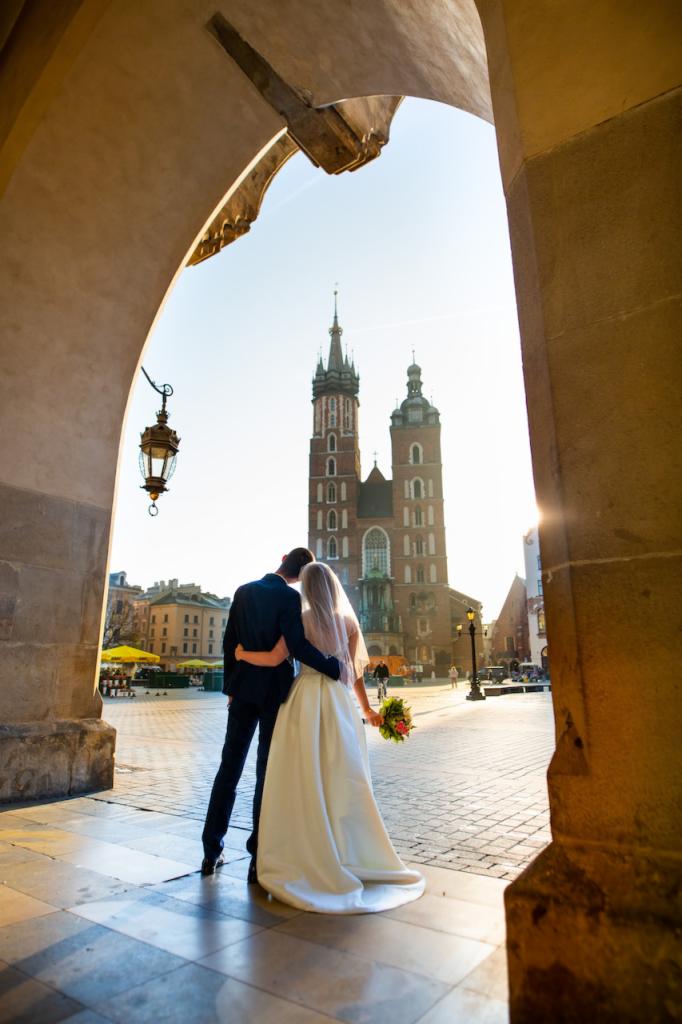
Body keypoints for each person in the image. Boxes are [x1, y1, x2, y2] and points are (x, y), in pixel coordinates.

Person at [235, 561, 425, 914]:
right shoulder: (348, 623)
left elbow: (275, 658)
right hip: (338, 703)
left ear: (306, 589)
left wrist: (242, 653)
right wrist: (367, 710)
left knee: (303, 775)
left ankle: (304, 844)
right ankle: (345, 849)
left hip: (304, 700)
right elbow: (353, 674)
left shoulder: (299, 620)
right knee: (341, 774)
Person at [201, 548, 341, 879]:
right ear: (302, 574)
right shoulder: (290, 598)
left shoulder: (244, 591)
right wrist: (331, 667)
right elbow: (297, 646)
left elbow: (229, 643)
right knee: (265, 771)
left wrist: (231, 687)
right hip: (273, 695)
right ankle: (257, 857)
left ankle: (211, 851)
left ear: (282, 560)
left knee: (229, 769)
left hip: (242, 691)